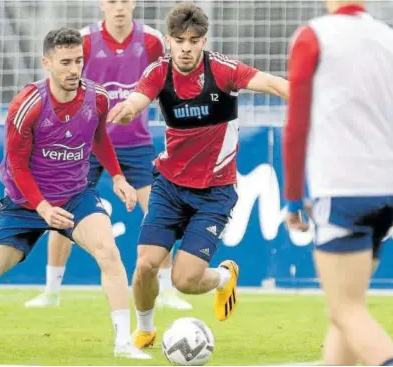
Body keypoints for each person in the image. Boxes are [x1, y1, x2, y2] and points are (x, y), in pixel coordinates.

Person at [0, 28, 151, 360]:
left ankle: (123, 343)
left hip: (76, 196)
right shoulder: (28, 104)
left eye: (79, 61)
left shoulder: (98, 97)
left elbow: (99, 138)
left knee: (109, 252)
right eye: (65, 62)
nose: (74, 70)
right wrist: (43, 207)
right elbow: (16, 166)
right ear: (46, 63)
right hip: (22, 205)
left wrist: (118, 177)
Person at [107, 2, 289, 348]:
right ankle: (145, 328)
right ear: (168, 40)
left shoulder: (222, 71)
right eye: (179, 40)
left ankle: (224, 276)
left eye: (194, 40)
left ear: (203, 40)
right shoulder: (159, 73)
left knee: (185, 281)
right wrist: (128, 111)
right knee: (145, 264)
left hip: (214, 192)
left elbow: (273, 83)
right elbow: (137, 98)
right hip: (170, 186)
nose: (186, 47)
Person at [283, 1, 393, 366]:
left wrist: (293, 198)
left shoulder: (313, 36)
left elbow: (295, 128)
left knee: (345, 311)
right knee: (344, 311)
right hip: (389, 191)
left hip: (342, 190)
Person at [25, 0, 192, 311]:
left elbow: (167, 84)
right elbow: (62, 84)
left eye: (125, 1)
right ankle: (51, 291)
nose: (119, 7)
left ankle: (168, 290)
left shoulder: (152, 40)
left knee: (159, 213)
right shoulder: (85, 40)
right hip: (86, 144)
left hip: (137, 144)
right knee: (63, 212)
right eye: (112, 1)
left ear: (135, 4)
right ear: (102, 4)